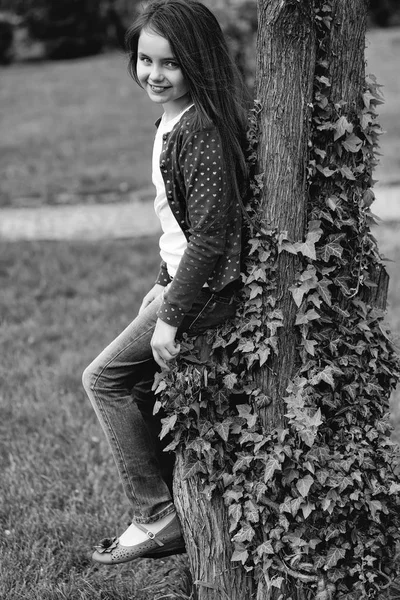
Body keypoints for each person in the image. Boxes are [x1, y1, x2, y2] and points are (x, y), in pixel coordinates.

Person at [82, 0, 249, 565]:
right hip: (183, 281)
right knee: (131, 383)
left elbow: (211, 236)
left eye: (169, 64)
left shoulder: (199, 126)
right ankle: (166, 497)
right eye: (144, 59)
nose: (153, 74)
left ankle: (156, 515)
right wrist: (161, 280)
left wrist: (173, 313)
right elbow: (177, 221)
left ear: (197, 63)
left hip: (206, 291)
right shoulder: (172, 120)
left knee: (103, 378)